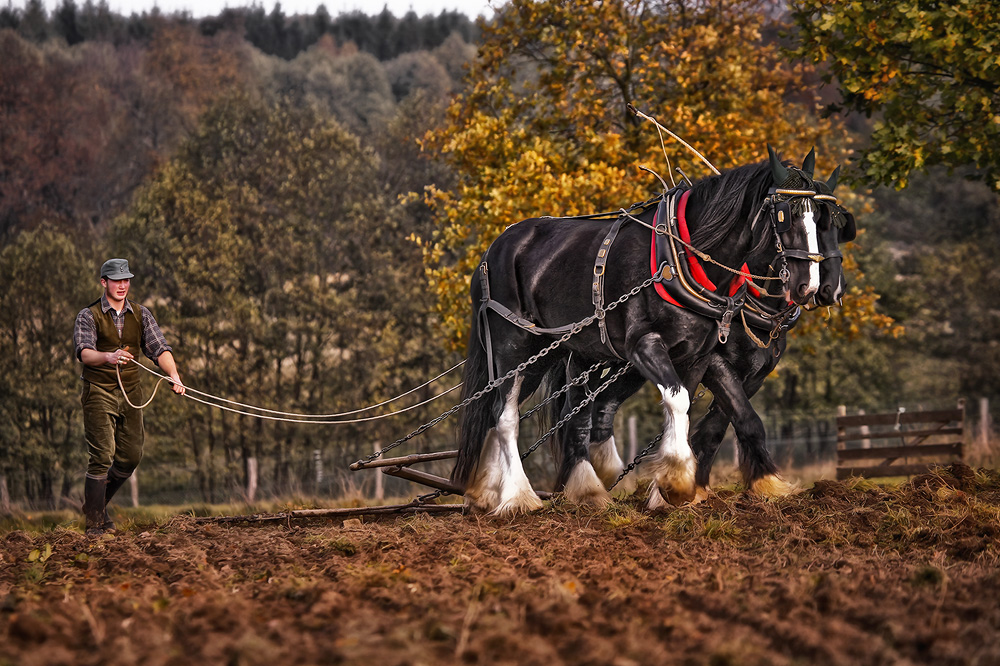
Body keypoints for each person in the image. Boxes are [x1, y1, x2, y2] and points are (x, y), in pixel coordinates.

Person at [73, 258, 185, 536]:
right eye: (116, 280)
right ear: (104, 282)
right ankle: (95, 526)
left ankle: (94, 506)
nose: (122, 285)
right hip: (99, 391)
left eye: (126, 280)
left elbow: (159, 348)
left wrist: (174, 375)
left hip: (131, 393)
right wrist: (108, 356)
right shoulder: (88, 316)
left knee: (131, 456)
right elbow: (84, 353)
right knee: (101, 456)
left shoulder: (141, 314)